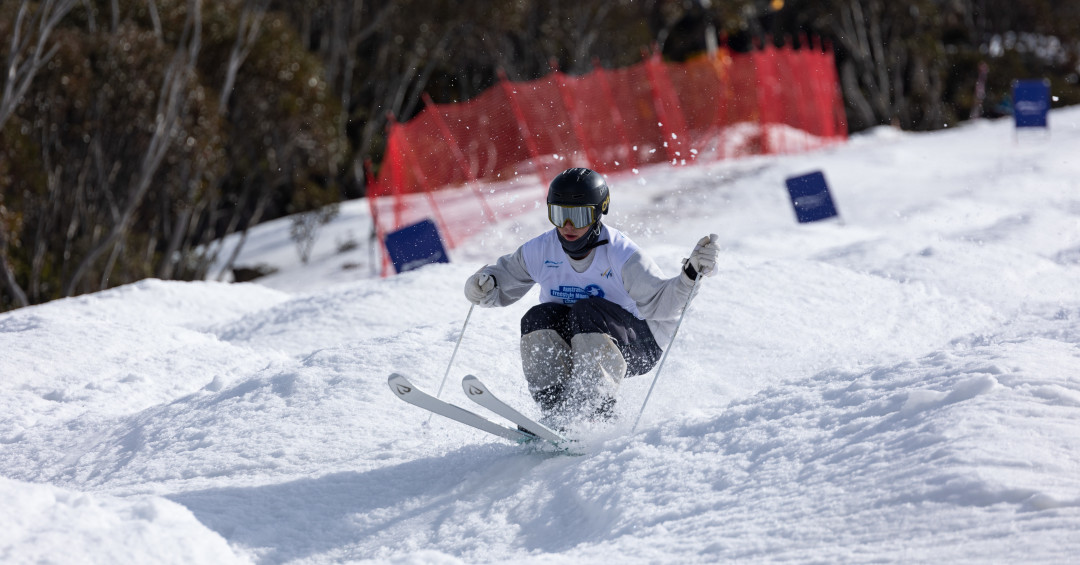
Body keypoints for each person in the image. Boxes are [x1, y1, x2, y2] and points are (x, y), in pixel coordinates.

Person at [463, 167, 718, 423]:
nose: (568, 226)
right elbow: (501, 280)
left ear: (598, 213)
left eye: (579, 216)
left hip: (639, 344)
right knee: (537, 317)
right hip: (580, 340)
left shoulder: (623, 255)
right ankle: (555, 411)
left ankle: (594, 410)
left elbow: (665, 305)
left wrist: (690, 275)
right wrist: (483, 285)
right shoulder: (541, 250)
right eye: (560, 215)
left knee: (588, 311)